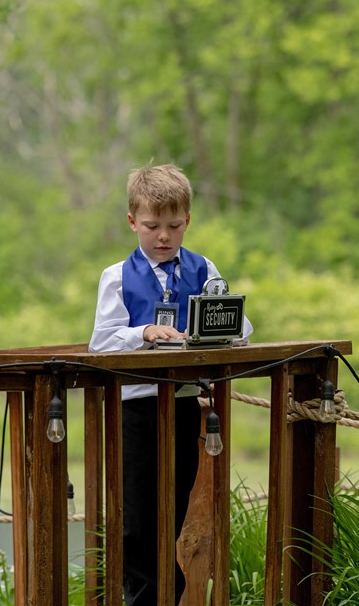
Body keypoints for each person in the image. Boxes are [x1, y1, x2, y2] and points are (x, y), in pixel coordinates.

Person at [89, 163, 253, 605]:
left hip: (183, 405)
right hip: (135, 408)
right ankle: (139, 597)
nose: (163, 236)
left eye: (174, 226)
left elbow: (240, 325)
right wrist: (141, 333)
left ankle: (170, 595)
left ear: (187, 222)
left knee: (175, 511)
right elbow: (101, 342)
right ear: (132, 223)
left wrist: (223, 330)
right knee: (136, 518)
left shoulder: (204, 268)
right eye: (152, 226)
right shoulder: (117, 276)